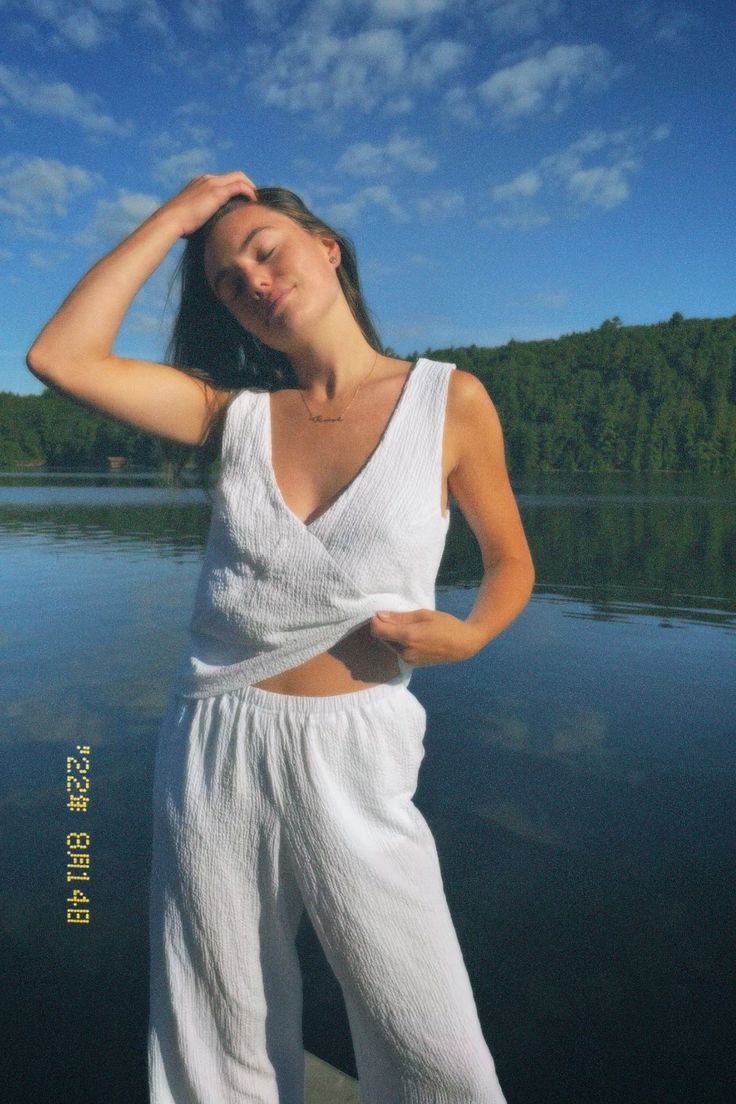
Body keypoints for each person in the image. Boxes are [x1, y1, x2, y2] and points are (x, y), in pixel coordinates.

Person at [27, 171, 535, 1103]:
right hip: (216, 742)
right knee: (213, 1026)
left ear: (326, 247)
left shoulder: (447, 400)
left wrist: (469, 636)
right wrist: (179, 220)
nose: (252, 279)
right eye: (227, 280)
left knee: (436, 1046)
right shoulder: (233, 418)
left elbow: (511, 564)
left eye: (266, 249)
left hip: (361, 748)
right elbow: (59, 356)